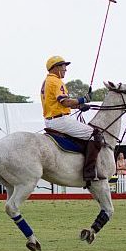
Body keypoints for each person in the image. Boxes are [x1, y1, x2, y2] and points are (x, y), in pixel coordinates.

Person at [41, 55, 103, 183]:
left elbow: (57, 104)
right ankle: (89, 172)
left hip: (52, 119)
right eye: (63, 66)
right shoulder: (56, 81)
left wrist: (79, 106)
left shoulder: (47, 81)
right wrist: (82, 99)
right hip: (60, 121)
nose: (65, 69)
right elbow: (64, 102)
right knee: (95, 134)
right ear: (55, 67)